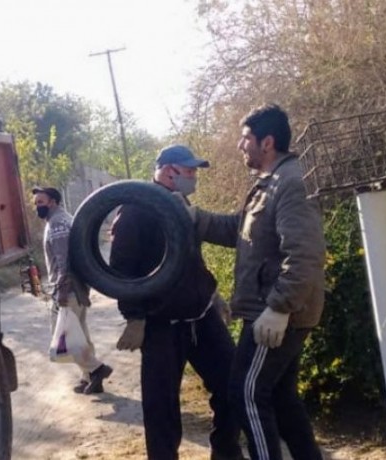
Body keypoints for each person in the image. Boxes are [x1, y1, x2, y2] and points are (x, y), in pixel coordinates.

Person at [193, 104, 326, 460]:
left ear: (267, 142)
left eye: (246, 138)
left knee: (245, 394)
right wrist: (193, 218)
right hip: (272, 311)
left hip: (278, 315)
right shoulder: (270, 184)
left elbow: (305, 255)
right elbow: (240, 232)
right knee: (281, 400)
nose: (240, 145)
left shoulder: (291, 183)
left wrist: (279, 307)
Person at [109, 145, 243, 460]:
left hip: (200, 316)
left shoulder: (182, 205)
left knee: (232, 385)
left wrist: (212, 294)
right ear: (169, 171)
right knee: (161, 407)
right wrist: (135, 317)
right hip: (159, 325)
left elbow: (191, 260)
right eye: (190, 171)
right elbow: (121, 269)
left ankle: (226, 453)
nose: (194, 177)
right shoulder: (136, 209)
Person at [32, 186, 113, 394]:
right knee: (80, 335)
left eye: (40, 202)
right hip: (78, 287)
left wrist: (60, 290)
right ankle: (89, 379)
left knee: (65, 339)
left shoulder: (58, 224)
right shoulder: (64, 219)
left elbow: (63, 260)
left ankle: (97, 369)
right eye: (35, 203)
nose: (36, 207)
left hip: (69, 289)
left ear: (53, 202)